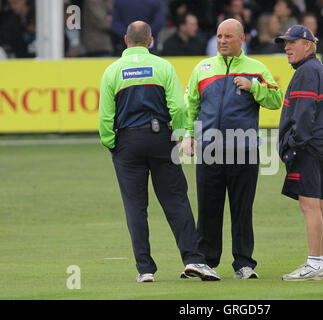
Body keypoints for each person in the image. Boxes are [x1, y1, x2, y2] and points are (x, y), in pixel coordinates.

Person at [98, 21, 220, 283]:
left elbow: (105, 118)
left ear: (126, 40)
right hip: (161, 138)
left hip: (127, 143)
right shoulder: (163, 66)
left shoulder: (112, 71)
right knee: (176, 201)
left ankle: (145, 269)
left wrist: (112, 145)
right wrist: (178, 136)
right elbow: (178, 107)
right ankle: (193, 260)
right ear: (150, 41)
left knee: (135, 206)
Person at [182, 18, 283, 279]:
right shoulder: (202, 69)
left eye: (228, 36)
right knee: (208, 209)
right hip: (208, 150)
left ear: (242, 39)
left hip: (244, 149)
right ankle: (206, 262)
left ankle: (243, 264)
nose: (222, 41)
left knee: (242, 209)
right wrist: (188, 136)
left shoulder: (257, 69)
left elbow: (276, 99)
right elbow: (190, 105)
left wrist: (254, 87)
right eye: (219, 36)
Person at [275, 25, 323, 281]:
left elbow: (303, 114)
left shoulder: (306, 71)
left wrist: (293, 144)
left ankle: (314, 264)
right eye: (285, 43)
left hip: (309, 146)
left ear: (308, 45)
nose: (287, 47)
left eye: (293, 42)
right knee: (321, 204)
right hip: (322, 143)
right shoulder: (318, 68)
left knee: (309, 204)